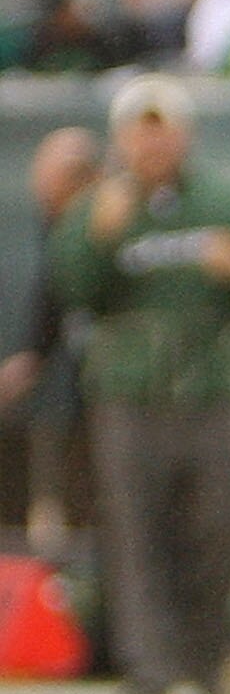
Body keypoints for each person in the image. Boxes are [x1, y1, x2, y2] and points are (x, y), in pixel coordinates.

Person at [48, 77, 230, 694]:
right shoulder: (100, 208)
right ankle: (148, 671)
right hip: (131, 392)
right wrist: (99, 239)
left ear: (185, 136)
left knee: (218, 533)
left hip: (214, 389)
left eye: (164, 131)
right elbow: (72, 289)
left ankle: (207, 666)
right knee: (135, 537)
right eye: (141, 132)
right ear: (122, 140)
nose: (153, 145)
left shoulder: (223, 202)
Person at [0, 125, 101, 551]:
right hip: (80, 385)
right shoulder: (58, 228)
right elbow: (53, 300)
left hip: (117, 390)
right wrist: (35, 356)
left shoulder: (105, 226)